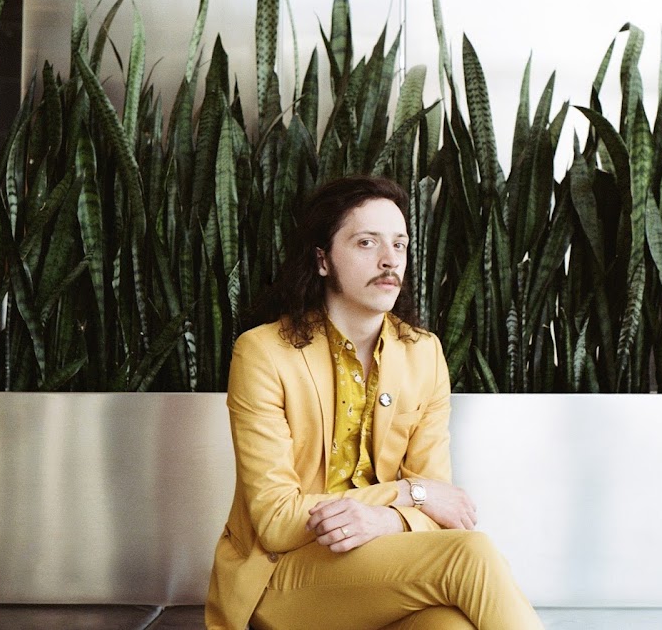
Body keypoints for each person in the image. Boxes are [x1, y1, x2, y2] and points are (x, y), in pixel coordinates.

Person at [205, 176, 544, 630]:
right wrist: (405, 495)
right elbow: (278, 521)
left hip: (383, 574)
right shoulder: (264, 353)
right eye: (367, 242)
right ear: (323, 260)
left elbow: (443, 517)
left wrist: (384, 522)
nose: (390, 260)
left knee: (451, 626)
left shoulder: (423, 353)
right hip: (283, 578)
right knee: (470, 554)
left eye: (399, 244)